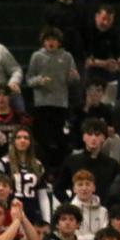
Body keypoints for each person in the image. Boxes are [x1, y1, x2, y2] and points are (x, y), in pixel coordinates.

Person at [26, 26, 80, 168]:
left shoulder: (67, 57)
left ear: (59, 42)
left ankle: (59, 168)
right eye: (48, 40)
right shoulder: (37, 56)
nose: (51, 43)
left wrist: (73, 77)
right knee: (43, 139)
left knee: (60, 138)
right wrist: (39, 81)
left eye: (54, 40)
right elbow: (29, 79)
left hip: (60, 103)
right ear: (43, 41)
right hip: (42, 104)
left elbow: (74, 80)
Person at [55, 119, 120, 203]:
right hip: (78, 212)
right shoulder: (72, 161)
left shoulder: (112, 164)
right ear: (83, 137)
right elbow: (58, 188)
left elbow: (116, 191)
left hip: (103, 211)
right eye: (89, 134)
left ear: (104, 138)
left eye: (97, 135)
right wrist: (69, 205)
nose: (93, 138)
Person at [0, 126, 48, 224]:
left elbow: (42, 195)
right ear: (13, 141)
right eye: (18, 137)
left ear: (31, 142)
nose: (22, 140)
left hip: (33, 214)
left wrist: (47, 220)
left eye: (26, 138)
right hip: (10, 213)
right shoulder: (3, 164)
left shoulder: (38, 165)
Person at [84, 5, 120, 99]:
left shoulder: (113, 32)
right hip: (93, 67)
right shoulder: (86, 32)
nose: (106, 23)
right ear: (96, 17)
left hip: (108, 67)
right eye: (103, 19)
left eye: (109, 20)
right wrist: (102, 63)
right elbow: (84, 58)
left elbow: (119, 51)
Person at [71, 170, 109, 240]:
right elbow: (72, 235)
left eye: (88, 184)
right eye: (80, 184)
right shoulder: (70, 212)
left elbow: (103, 235)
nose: (84, 188)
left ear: (94, 188)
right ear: (74, 189)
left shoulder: (103, 211)